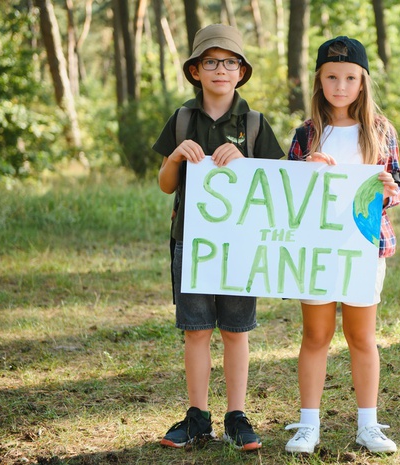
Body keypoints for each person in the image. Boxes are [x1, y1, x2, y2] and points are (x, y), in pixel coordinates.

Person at [153, 24, 284, 451]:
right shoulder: (183, 118)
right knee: (196, 331)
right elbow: (166, 185)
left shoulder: (254, 123)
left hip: (240, 246)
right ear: (195, 70)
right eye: (210, 61)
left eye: (230, 62)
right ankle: (197, 417)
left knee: (235, 331)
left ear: (241, 71)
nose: (220, 69)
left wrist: (245, 163)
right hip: (190, 241)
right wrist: (175, 155)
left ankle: (236, 416)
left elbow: (275, 189)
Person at [284, 36, 400, 455]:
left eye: (350, 77)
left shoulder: (380, 130)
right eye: (332, 77)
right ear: (319, 80)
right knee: (315, 335)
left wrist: (388, 189)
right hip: (316, 248)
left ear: (362, 82)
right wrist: (305, 170)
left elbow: (397, 188)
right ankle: (308, 424)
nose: (340, 85)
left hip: (363, 248)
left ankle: (367, 424)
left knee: (361, 337)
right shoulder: (308, 133)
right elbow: (285, 192)